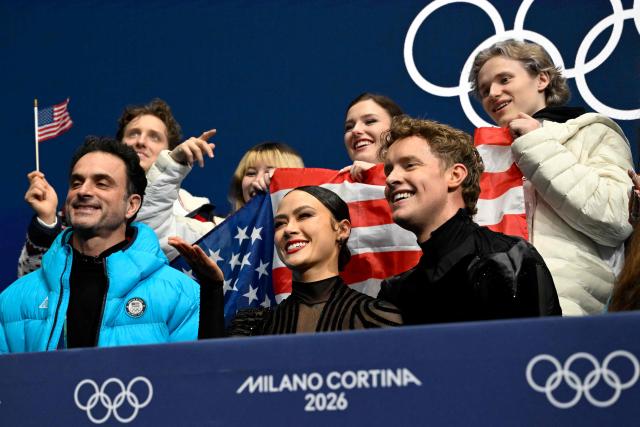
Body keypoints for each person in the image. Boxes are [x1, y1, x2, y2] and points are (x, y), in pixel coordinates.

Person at [469, 39, 633, 315]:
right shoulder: (478, 158)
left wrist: (535, 143)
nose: (493, 93)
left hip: (569, 312)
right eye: (485, 90)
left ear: (542, 79)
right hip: (488, 313)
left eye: (504, 79)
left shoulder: (592, 131)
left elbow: (615, 219)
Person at [0, 137, 200, 353]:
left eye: (101, 183)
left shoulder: (182, 296)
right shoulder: (12, 301)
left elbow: (188, 383)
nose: (83, 191)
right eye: (76, 183)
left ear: (131, 206)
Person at [377, 116, 561, 325]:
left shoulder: (509, 259)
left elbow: (537, 351)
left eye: (409, 165)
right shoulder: (395, 292)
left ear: (455, 175)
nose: (391, 179)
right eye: (389, 170)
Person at [19, 98, 221, 273]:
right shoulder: (81, 207)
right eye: (133, 134)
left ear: (170, 149)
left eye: (154, 137)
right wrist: (46, 223)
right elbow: (33, 284)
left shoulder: (198, 215)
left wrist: (171, 167)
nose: (141, 142)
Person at [169, 185, 402, 335]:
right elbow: (216, 380)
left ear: (341, 229)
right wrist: (211, 288)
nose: (289, 229)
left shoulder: (375, 317)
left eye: (304, 216)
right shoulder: (254, 325)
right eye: (280, 223)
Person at [340, 93, 404, 181]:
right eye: (349, 127)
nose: (355, 130)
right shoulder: (332, 187)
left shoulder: (422, 177)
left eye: (370, 121)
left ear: (397, 130)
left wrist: (377, 174)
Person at [228, 141, 304, 212]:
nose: (257, 180)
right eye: (251, 173)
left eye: (269, 173)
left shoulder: (309, 224)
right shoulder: (225, 225)